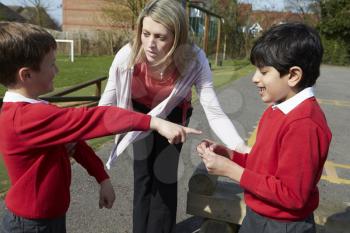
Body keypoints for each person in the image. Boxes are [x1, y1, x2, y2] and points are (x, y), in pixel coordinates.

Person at [0, 21, 200, 233]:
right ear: (26, 75)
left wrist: (102, 177)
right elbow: (96, 118)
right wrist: (155, 122)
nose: (57, 70)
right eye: (51, 64)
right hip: (32, 225)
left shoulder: (37, 111)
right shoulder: (26, 118)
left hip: (47, 217)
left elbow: (76, 144)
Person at [98, 0, 249, 232]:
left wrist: (241, 148)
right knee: (143, 175)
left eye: (160, 37)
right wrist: (76, 136)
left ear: (178, 37)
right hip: (140, 111)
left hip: (174, 113)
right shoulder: (127, 56)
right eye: (146, 34)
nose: (150, 44)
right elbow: (105, 105)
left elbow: (215, 112)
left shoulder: (194, 60)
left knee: (164, 175)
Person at [197, 22, 332, 233]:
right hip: (258, 216)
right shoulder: (276, 109)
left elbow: (292, 195)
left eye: (264, 71)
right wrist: (230, 157)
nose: (254, 78)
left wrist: (232, 171)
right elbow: (264, 165)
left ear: (294, 75)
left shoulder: (304, 125)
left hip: (283, 226)